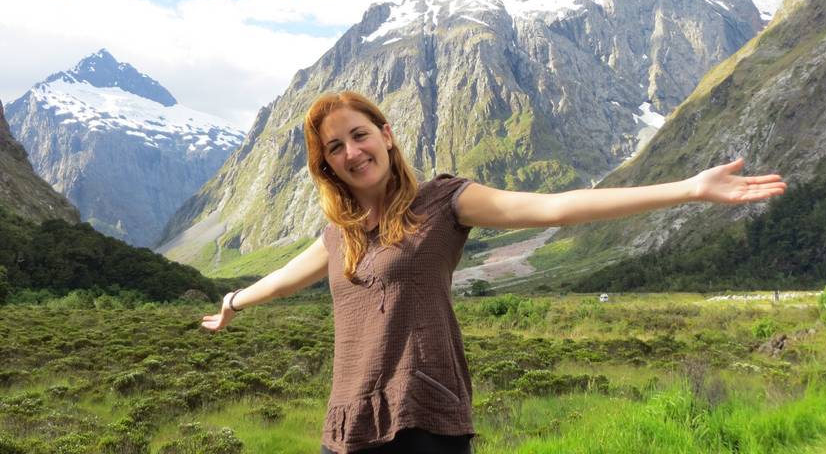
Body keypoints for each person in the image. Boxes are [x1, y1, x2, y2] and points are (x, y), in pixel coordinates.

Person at [201, 91, 787, 453]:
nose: (352, 152)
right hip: (350, 418)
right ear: (325, 164)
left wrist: (688, 189)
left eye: (359, 135)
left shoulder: (446, 201)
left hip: (423, 414)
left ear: (386, 135)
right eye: (335, 147)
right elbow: (282, 278)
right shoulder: (340, 235)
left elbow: (554, 207)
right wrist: (233, 301)